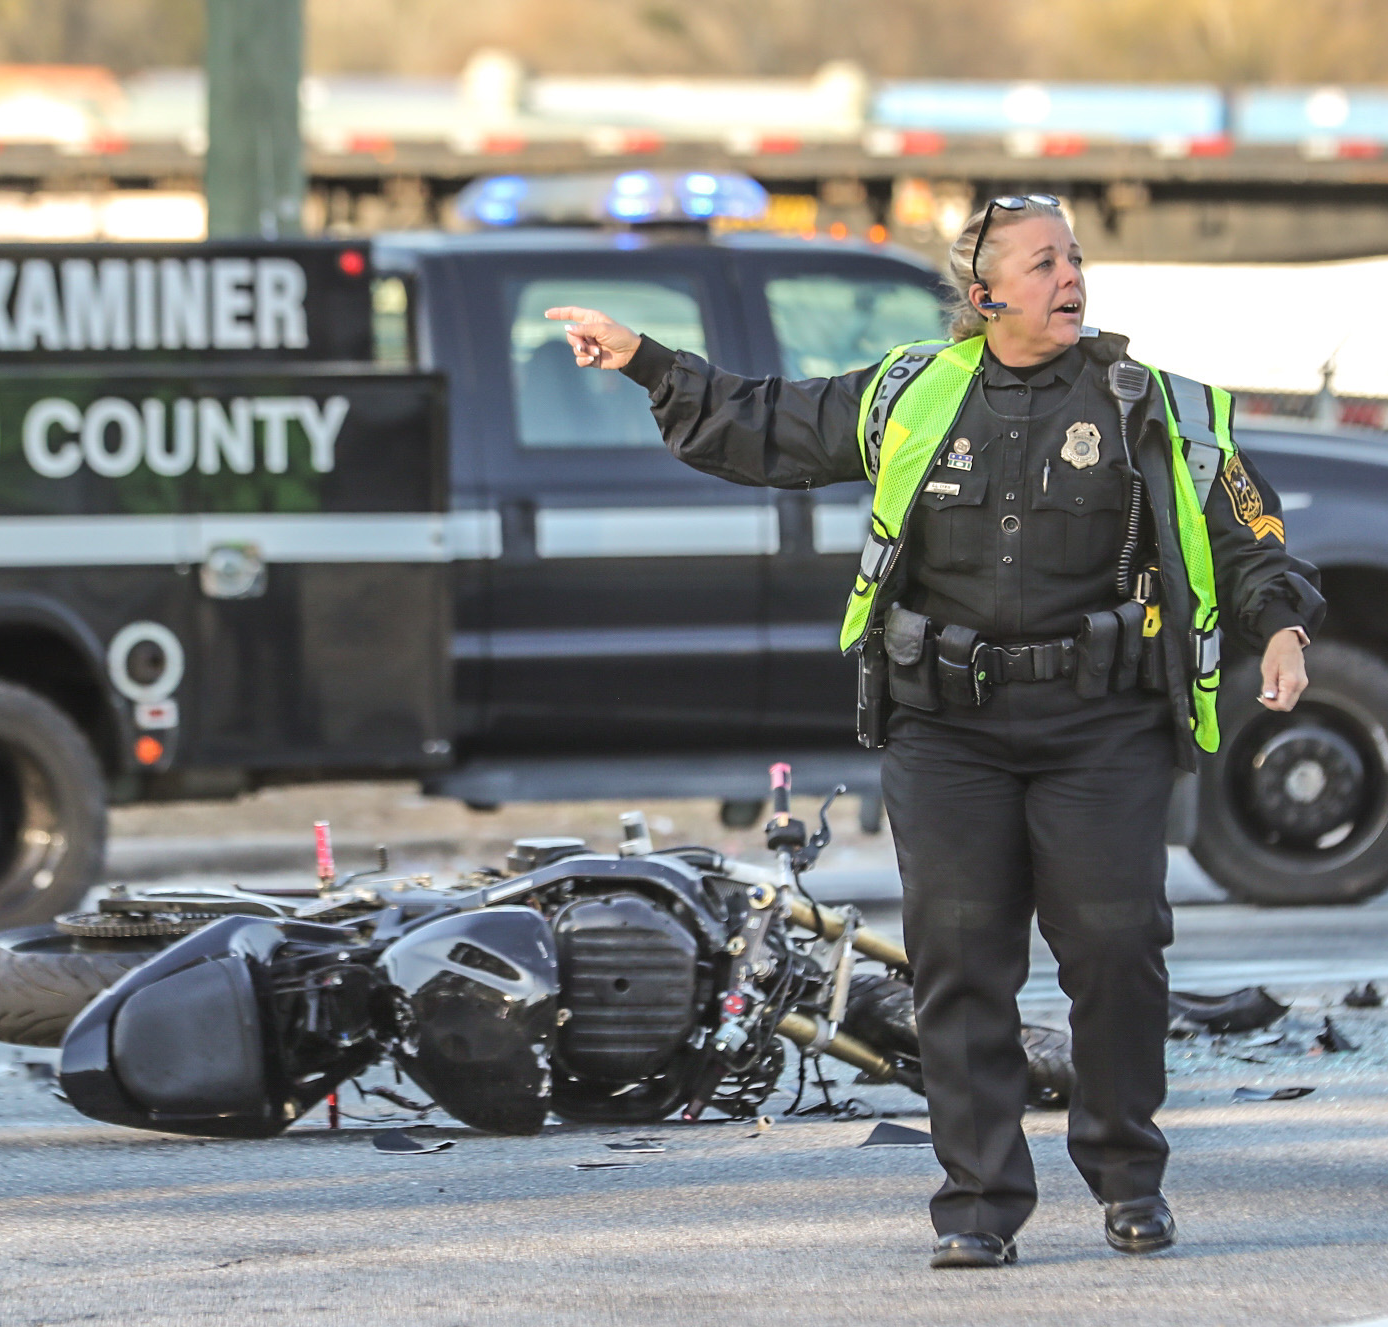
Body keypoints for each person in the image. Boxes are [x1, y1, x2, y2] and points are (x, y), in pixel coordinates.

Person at [547, 196, 1324, 1268]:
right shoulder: (908, 393)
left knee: (1114, 951)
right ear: (984, 293)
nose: (1070, 277)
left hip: (1099, 727)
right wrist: (644, 361)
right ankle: (977, 1202)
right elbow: (760, 421)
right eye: (1043, 261)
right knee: (957, 966)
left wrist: (1277, 624)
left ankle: (1125, 1175)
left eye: (1075, 258)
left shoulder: (1154, 407)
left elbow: (1248, 531)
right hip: (944, 728)